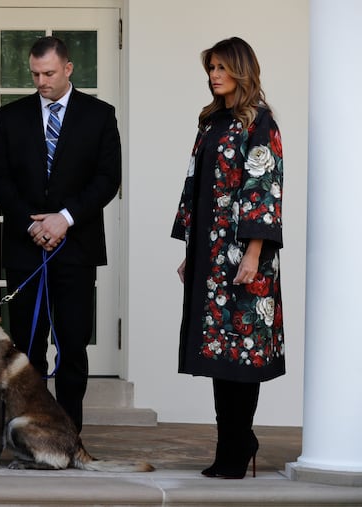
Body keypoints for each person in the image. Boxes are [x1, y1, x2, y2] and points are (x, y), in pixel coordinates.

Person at [0, 36, 121, 432]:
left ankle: (67, 433)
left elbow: (107, 179)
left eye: (48, 73)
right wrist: (34, 224)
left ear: (68, 68)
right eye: (34, 74)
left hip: (76, 249)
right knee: (28, 350)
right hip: (24, 246)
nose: (41, 81)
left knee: (73, 347)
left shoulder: (99, 115)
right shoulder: (9, 116)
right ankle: (28, 431)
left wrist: (64, 218)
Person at [171, 37, 285, 479]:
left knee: (244, 352)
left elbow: (263, 188)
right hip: (211, 254)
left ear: (241, 69)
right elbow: (195, 185)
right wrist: (190, 250)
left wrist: (254, 253)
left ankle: (238, 447)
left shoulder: (261, 121)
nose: (214, 75)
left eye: (221, 67)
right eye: (211, 68)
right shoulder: (212, 121)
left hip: (244, 257)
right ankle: (231, 445)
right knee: (220, 353)